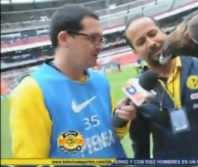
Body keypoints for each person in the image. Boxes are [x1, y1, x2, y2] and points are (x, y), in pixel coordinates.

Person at [10, 4, 136, 158]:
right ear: (64, 38)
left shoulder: (101, 80)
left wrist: (121, 120)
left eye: (101, 39)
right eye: (92, 38)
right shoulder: (32, 91)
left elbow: (109, 137)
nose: (100, 46)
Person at [121, 16, 198, 159]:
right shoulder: (137, 89)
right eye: (141, 42)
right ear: (135, 52)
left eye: (153, 34)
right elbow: (140, 146)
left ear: (164, 32)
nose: (151, 43)